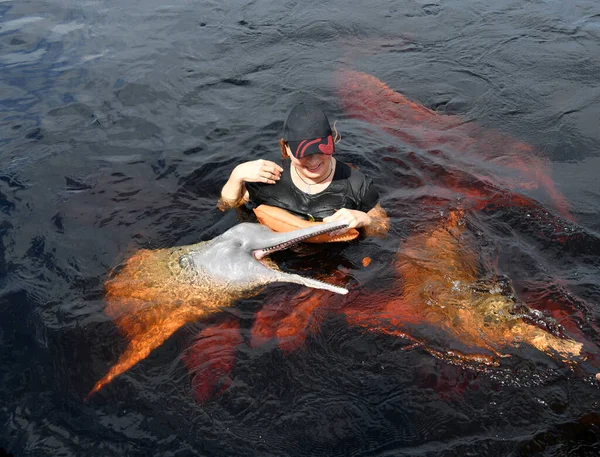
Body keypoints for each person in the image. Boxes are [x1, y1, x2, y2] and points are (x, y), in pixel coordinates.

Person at [219, 102, 389, 238]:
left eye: (320, 150)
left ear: (332, 140)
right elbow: (226, 206)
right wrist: (237, 175)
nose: (314, 161)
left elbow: (382, 230)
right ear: (285, 148)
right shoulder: (270, 176)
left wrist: (364, 219)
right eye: (304, 154)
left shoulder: (357, 184)